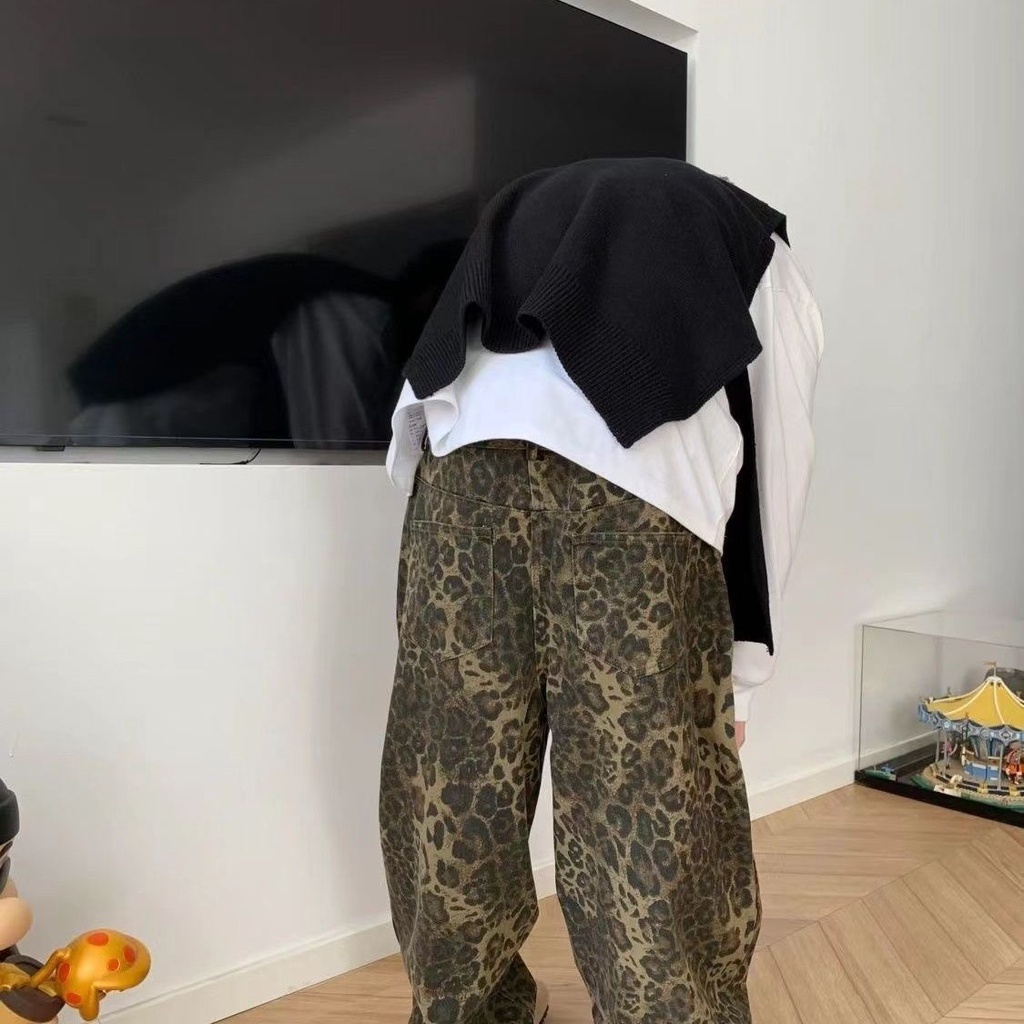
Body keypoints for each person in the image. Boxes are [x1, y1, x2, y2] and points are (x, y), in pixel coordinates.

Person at [379, 158, 824, 1024]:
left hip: (462, 473)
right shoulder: (759, 249)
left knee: (450, 777)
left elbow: (418, 404)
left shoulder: (518, 211)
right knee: (647, 806)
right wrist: (744, 674)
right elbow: (776, 465)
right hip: (638, 494)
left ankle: (468, 1010)